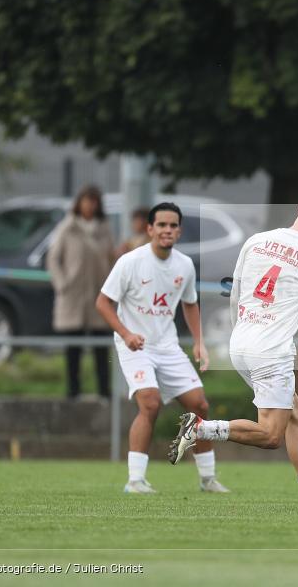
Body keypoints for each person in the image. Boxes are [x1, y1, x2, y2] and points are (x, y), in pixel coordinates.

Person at [168, 191, 298, 511]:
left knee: (293, 414)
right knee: (270, 435)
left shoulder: (257, 240)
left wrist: (242, 332)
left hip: (241, 343)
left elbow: (235, 294)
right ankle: (201, 428)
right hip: (272, 350)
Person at [95, 202, 228, 494]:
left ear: (179, 231)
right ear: (150, 229)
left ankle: (207, 479)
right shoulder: (130, 262)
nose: (167, 230)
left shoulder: (184, 264)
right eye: (162, 225)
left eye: (172, 225)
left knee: (200, 405)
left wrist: (199, 342)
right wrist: (126, 333)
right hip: (135, 345)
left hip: (166, 345)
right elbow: (103, 303)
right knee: (150, 403)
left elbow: (190, 303)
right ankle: (135, 480)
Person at [47, 185, 115, 400]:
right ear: (79, 202)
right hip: (73, 295)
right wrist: (62, 284)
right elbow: (53, 259)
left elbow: (112, 259)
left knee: (101, 347)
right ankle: (73, 391)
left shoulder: (104, 229)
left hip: (98, 294)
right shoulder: (67, 228)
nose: (90, 205)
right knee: (73, 347)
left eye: (94, 201)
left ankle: (105, 391)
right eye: (86, 200)